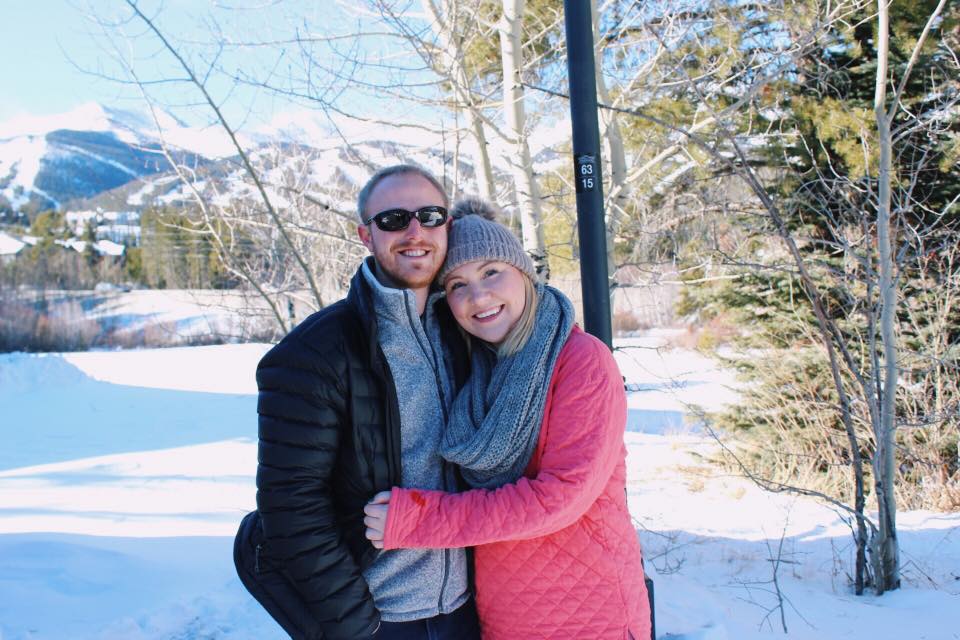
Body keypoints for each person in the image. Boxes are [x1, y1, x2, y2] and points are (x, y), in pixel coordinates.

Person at [363, 198, 651, 640]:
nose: (477, 297)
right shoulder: (477, 372)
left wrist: (418, 520)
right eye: (457, 284)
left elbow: (559, 497)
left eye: (492, 272)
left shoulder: (581, 361)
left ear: (524, 273)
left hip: (591, 614)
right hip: (504, 616)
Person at [236, 165, 481, 639]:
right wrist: (355, 625)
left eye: (430, 216)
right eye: (393, 219)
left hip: (468, 612)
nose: (415, 231)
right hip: (381, 619)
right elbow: (290, 508)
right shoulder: (315, 353)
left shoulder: (468, 330)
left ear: (447, 226)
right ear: (366, 235)